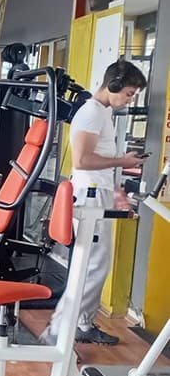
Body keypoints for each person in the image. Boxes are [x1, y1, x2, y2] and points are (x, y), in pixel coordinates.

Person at [40, 58, 148, 346]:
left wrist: (116, 192)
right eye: (128, 93)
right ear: (113, 85)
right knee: (91, 268)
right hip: (89, 196)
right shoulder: (91, 113)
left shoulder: (102, 113)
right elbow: (82, 160)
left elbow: (100, 161)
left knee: (96, 266)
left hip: (98, 193)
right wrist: (123, 161)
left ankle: (83, 324)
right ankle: (58, 329)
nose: (129, 99)